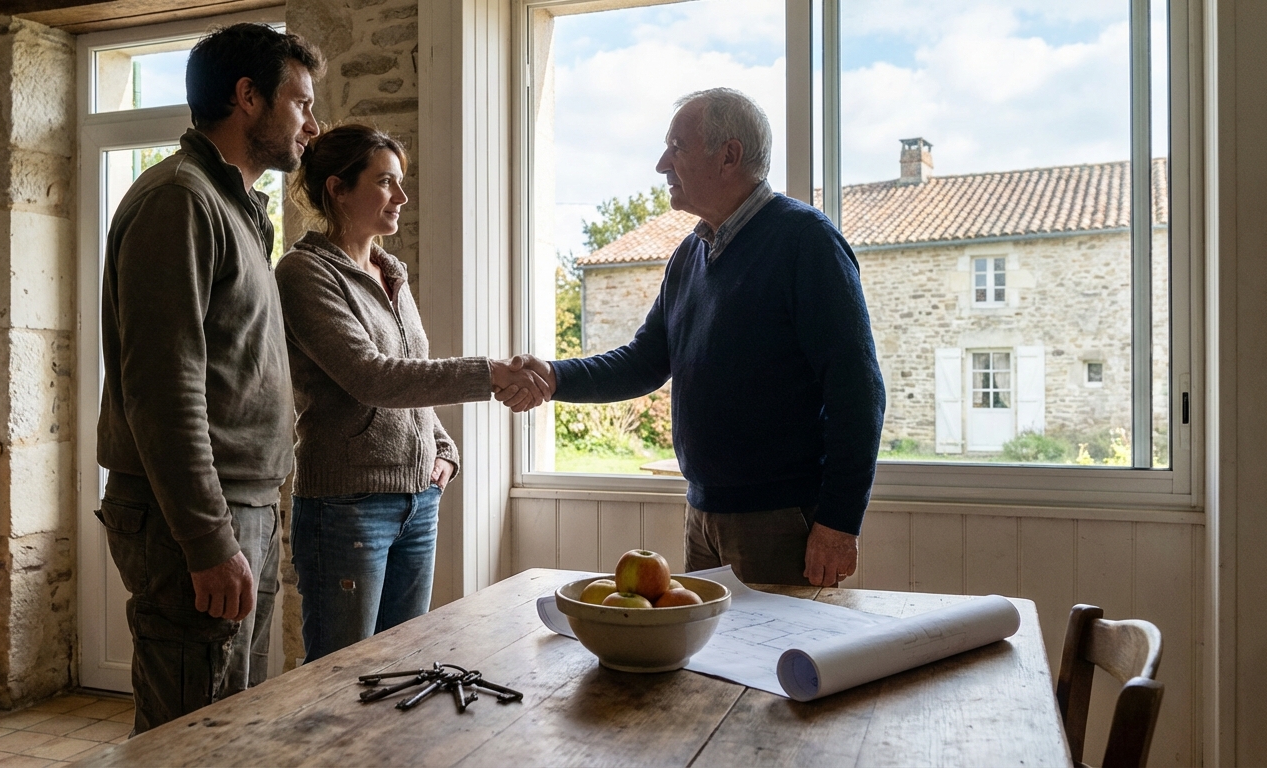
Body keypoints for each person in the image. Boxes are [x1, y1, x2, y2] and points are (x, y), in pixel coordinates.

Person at [520, 87, 885, 587]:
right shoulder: (690, 254)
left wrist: (839, 523)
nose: (661, 164)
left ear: (729, 155)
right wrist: (552, 376)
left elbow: (858, 389)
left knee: (768, 664)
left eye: (677, 147)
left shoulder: (806, 241)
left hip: (781, 521)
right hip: (703, 515)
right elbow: (644, 361)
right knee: (708, 664)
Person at [95, 23, 324, 733]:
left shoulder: (232, 206)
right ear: (247, 97)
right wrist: (208, 540)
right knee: (190, 739)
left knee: (233, 729)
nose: (312, 125)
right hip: (194, 519)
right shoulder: (181, 200)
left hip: (236, 508)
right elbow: (163, 390)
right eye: (301, 103)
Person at [275, 123, 551, 662]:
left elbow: (411, 374)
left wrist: (443, 449)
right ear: (337, 188)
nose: (402, 197)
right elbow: (372, 376)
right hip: (347, 506)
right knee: (341, 675)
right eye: (385, 182)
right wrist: (490, 372)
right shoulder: (303, 273)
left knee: (404, 667)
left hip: (418, 503)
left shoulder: (389, 270)